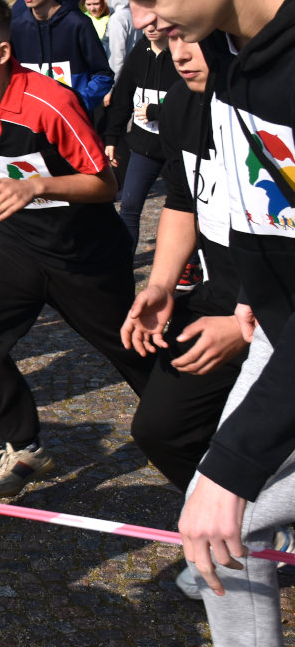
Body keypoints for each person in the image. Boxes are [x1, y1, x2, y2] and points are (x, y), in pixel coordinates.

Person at [95, 0, 295, 643]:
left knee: (223, 507)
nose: (142, 21)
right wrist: (244, 301)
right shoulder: (229, 60)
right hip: (277, 338)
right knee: (214, 527)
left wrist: (234, 467)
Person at [0, 0, 154, 498]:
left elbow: (106, 185)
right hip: (15, 242)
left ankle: (205, 442)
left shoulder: (50, 101)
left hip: (85, 251)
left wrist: (35, 186)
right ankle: (24, 444)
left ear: (3, 52)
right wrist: (8, 190)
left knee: (134, 353)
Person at [120, 34, 247, 598]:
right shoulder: (180, 103)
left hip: (277, 307)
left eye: (193, 40)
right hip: (219, 299)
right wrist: (160, 286)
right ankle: (245, 531)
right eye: (169, 38)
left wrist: (250, 324)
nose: (180, 54)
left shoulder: (272, 104)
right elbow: (182, 201)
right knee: (160, 428)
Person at [102, 21, 178, 256]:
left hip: (178, 149)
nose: (151, 26)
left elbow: (195, 104)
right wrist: (112, 137)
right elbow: (123, 96)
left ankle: (190, 263)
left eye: (157, 20)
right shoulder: (139, 51)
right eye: (147, 21)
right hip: (143, 148)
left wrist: (157, 112)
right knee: (130, 206)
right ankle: (124, 265)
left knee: (183, 209)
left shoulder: (184, 52)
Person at [10, 0, 115, 116]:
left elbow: (103, 75)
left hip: (72, 124)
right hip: (30, 125)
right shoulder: (16, 26)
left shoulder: (78, 24)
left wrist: (80, 103)